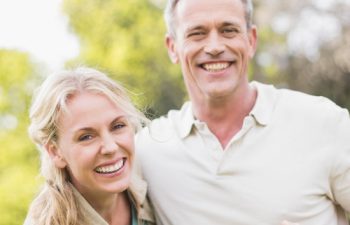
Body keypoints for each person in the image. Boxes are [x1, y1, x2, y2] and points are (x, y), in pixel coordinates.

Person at [135, 0, 350, 224]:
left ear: (251, 40)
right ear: (172, 47)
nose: (214, 46)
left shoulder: (322, 122)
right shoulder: (148, 150)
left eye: (228, 30)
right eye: (197, 33)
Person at [24, 67, 155, 225]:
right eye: (86, 137)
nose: (110, 147)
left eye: (118, 126)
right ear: (55, 152)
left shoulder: (153, 176)